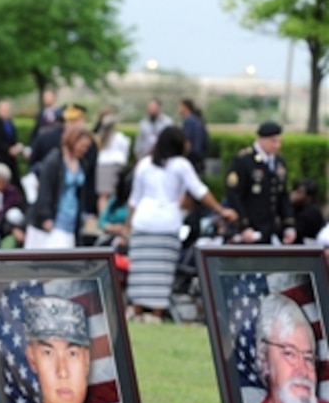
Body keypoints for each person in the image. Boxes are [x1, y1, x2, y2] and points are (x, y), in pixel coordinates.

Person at [125, 126, 236, 322]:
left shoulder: (144, 164)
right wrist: (221, 210)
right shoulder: (180, 164)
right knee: (162, 271)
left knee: (141, 270)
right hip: (167, 222)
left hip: (142, 221)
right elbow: (200, 191)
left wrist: (128, 226)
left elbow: (134, 200)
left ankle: (137, 311)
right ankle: (156, 313)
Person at [225, 121, 296, 244]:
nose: (277, 145)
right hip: (251, 227)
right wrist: (244, 225)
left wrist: (288, 224)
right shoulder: (244, 160)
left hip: (271, 226)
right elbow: (235, 196)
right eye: (273, 141)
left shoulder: (278, 161)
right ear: (261, 139)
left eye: (279, 141)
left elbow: (282, 194)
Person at [24, 127, 94, 249]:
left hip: (71, 219)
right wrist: (45, 217)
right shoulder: (54, 161)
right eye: (82, 146)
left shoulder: (82, 163)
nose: (84, 150)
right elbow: (45, 189)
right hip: (54, 219)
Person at [93, 108, 130, 216]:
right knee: (112, 195)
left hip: (103, 165)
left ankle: (103, 219)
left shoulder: (99, 137)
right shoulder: (120, 138)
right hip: (115, 164)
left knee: (103, 196)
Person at [0, 98, 24, 189]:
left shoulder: (11, 124)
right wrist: (8, 149)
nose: (6, 112)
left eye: (7, 110)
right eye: (4, 110)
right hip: (1, 159)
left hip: (12, 161)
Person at [178, 97, 209, 174]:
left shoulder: (189, 121)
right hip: (199, 156)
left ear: (185, 107)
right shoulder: (197, 120)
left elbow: (187, 141)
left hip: (192, 157)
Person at [290, 178, 326, 243]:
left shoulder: (312, 212)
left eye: (299, 192)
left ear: (309, 197)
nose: (294, 194)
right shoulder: (296, 207)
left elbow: (297, 230)